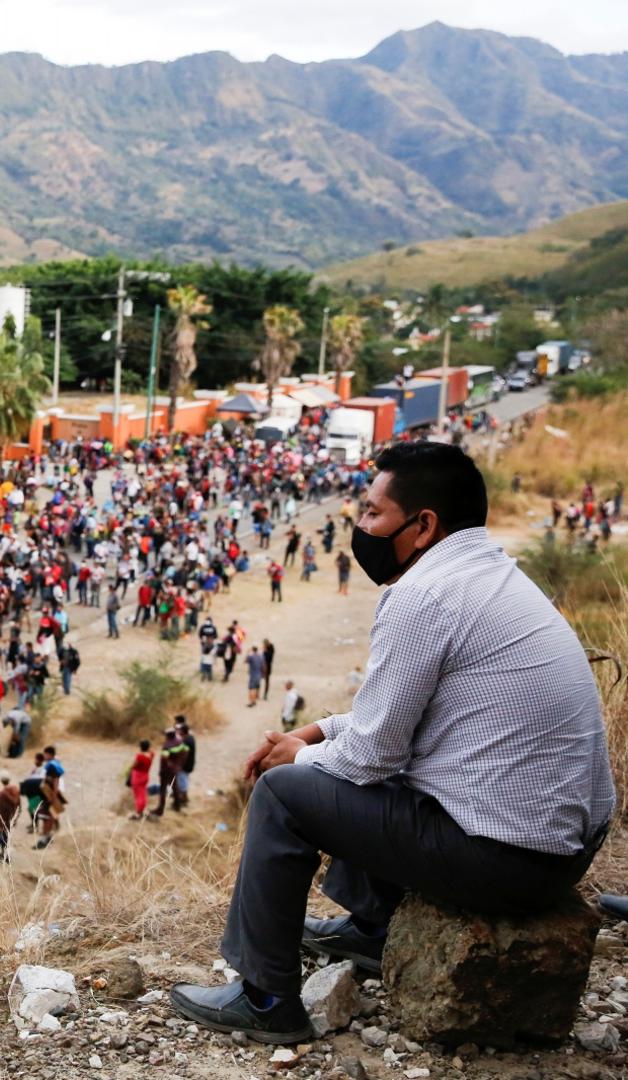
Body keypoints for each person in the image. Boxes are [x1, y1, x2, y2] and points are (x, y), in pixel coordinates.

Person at [170, 442, 615, 1043]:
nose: (362, 527)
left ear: (423, 524)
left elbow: (372, 755)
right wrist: (321, 728)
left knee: (284, 792)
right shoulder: (490, 575)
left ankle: (266, 997)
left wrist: (297, 755)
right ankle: (375, 929)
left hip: (511, 862)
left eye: (374, 514)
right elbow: (401, 722)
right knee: (354, 768)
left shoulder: (421, 596)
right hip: (561, 851)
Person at [0, 773, 22, 863]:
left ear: (2, 781)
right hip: (12, 817)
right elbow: (19, 804)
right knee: (6, 837)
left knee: (2, 838)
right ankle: (5, 855)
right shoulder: (16, 790)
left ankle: (4, 856)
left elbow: (0, 807)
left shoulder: (3, 793)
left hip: (4, 819)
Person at [127, 739, 153, 820]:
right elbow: (150, 751)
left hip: (138, 776)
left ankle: (138, 812)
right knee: (143, 794)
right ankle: (142, 810)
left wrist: (128, 770)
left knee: (138, 795)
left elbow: (133, 766)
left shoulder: (140, 756)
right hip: (145, 775)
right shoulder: (151, 754)